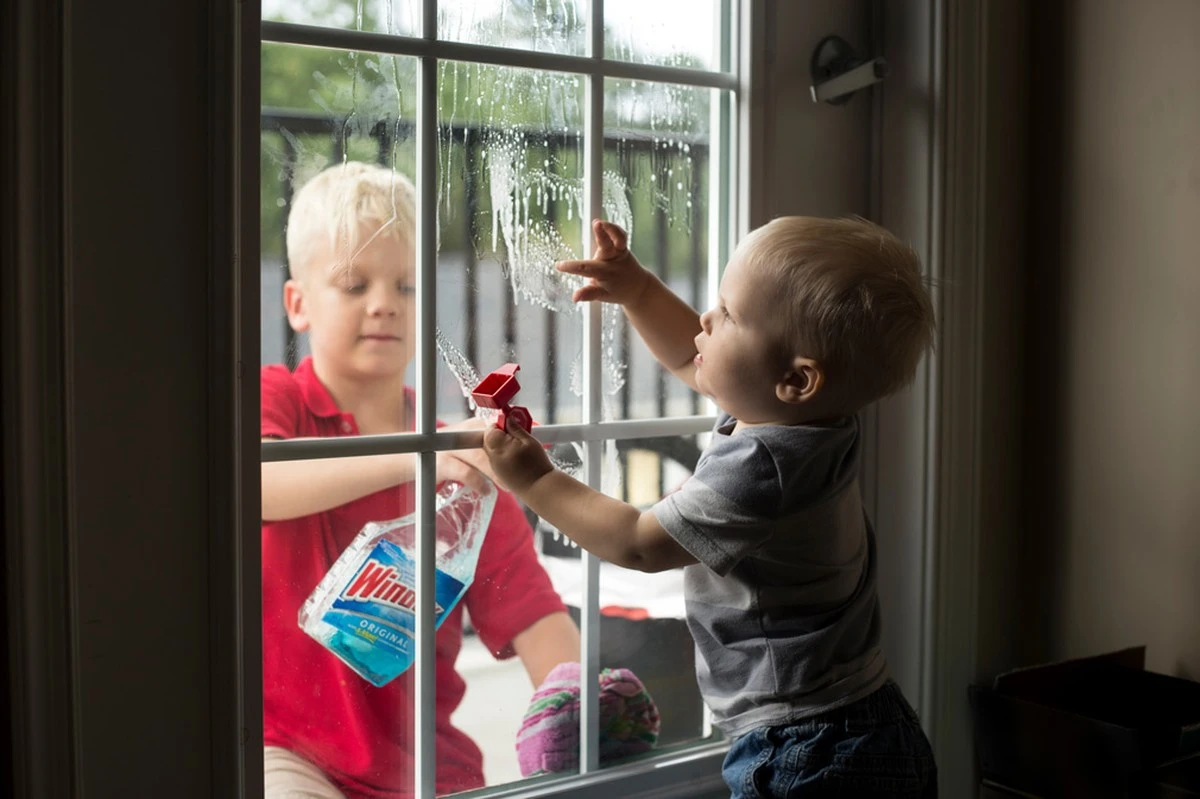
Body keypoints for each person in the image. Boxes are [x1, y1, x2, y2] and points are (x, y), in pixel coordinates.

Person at [482, 216, 940, 798]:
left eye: (728, 314)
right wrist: (639, 289)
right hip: (852, 718)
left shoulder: (764, 466)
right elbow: (689, 357)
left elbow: (639, 543)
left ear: (797, 379)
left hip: (809, 745)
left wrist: (535, 480)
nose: (705, 319)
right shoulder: (808, 422)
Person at [260, 161, 581, 799]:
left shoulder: (463, 467)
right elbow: (260, 484)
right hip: (288, 750)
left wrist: (583, 705)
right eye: (353, 284)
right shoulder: (282, 401)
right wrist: (423, 456)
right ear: (297, 304)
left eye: (407, 287)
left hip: (427, 764)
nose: (384, 302)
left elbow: (533, 613)